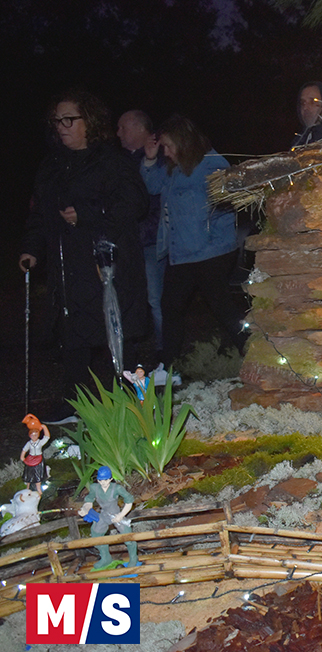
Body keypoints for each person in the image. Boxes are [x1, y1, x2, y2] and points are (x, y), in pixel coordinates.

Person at [19, 90, 148, 423]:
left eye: (69, 120)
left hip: (106, 266)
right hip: (68, 268)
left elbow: (134, 204)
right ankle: (73, 402)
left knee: (116, 332)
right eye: (57, 121)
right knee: (72, 335)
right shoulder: (52, 166)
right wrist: (31, 248)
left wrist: (87, 214)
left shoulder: (111, 161)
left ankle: (135, 401)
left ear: (89, 121)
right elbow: (40, 213)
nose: (61, 127)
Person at [140, 114, 247, 382]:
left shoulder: (212, 164)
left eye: (168, 146)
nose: (165, 152)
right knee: (170, 307)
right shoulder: (173, 168)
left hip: (210, 254)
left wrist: (214, 244)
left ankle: (254, 355)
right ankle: (168, 369)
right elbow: (152, 186)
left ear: (182, 141)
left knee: (222, 307)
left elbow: (227, 208)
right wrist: (150, 159)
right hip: (181, 254)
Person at [118, 109, 167, 354]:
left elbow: (155, 197)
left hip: (150, 241)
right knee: (126, 298)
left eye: (122, 128)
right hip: (126, 242)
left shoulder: (162, 154)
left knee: (156, 298)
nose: (118, 133)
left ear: (139, 128)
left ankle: (165, 353)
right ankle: (128, 352)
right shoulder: (117, 159)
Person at [78, 466, 139, 569]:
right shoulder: (95, 488)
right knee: (96, 534)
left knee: (127, 534)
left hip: (116, 514)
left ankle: (133, 558)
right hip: (104, 515)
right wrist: (85, 509)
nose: (103, 483)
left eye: (106, 480)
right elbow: (89, 500)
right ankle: (105, 558)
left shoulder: (117, 488)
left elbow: (129, 501)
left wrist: (121, 515)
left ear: (110, 479)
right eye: (100, 480)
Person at [20, 415, 50, 493]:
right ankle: (27, 488)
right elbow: (24, 449)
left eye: (36, 435)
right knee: (29, 474)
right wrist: (22, 456)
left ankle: (38, 489)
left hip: (38, 460)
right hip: (30, 459)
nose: (34, 436)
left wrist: (44, 427)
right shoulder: (29, 443)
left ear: (38, 435)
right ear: (29, 435)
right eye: (32, 435)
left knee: (38, 474)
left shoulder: (40, 442)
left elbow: (47, 437)